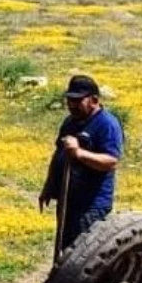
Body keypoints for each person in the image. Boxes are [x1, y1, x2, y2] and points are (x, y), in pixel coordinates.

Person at [39, 75, 124, 253]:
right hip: (68, 199)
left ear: (94, 100)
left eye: (77, 100)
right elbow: (58, 155)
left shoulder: (107, 124)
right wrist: (49, 186)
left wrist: (78, 153)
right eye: (69, 99)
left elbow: (111, 161)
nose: (71, 105)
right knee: (65, 249)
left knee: (82, 256)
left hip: (91, 205)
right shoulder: (70, 122)